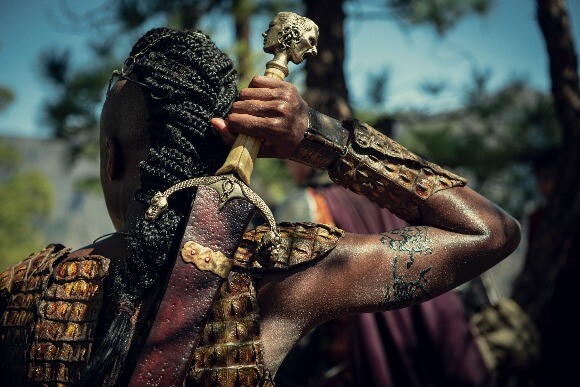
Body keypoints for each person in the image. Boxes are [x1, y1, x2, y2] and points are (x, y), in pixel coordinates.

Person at [0, 27, 521, 386]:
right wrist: (319, 137)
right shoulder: (269, 274)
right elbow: (490, 233)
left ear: (111, 157)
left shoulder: (27, 288)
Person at [275, 161, 495, 387]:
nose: (289, 170)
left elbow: (292, 306)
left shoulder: (306, 206)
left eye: (287, 163)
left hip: (357, 367)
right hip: (438, 347)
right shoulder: (404, 199)